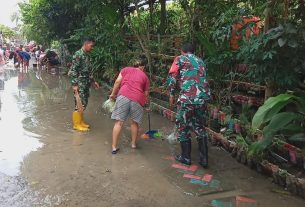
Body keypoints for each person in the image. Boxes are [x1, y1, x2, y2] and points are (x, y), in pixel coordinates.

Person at [167, 43, 211, 168]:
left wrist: (171, 94)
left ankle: (186, 157)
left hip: (187, 99)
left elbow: (172, 77)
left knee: (183, 127)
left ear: (183, 51)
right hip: (202, 99)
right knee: (200, 127)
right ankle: (204, 160)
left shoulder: (179, 59)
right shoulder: (201, 61)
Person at [109, 55, 150, 154]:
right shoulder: (145, 77)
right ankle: (133, 144)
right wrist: (146, 104)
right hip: (138, 99)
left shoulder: (125, 69)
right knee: (134, 123)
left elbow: (117, 81)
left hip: (123, 95)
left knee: (119, 122)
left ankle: (114, 147)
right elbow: (146, 94)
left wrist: (113, 94)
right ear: (143, 66)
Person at [69, 37, 99, 132]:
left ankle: (81, 121)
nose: (92, 48)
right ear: (86, 44)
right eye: (91, 45)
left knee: (84, 103)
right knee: (79, 103)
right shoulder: (78, 54)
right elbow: (73, 70)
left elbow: (88, 71)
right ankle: (76, 125)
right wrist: (74, 84)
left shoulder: (86, 55)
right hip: (79, 82)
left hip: (85, 82)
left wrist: (93, 81)